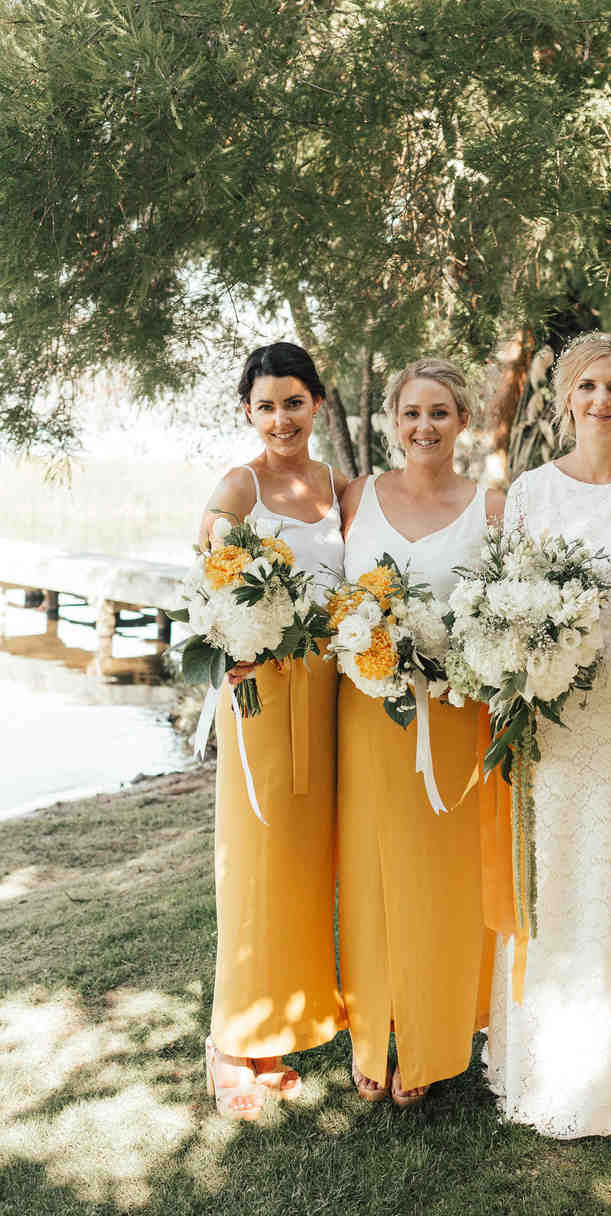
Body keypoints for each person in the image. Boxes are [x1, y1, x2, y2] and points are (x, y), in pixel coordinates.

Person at [484, 332, 611, 1138]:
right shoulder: (531, 491)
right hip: (550, 715)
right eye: (587, 388)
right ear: (563, 399)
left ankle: (605, 1076)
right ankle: (533, 1057)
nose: (601, 402)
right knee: (550, 877)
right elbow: (501, 599)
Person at [337, 357, 503, 1106]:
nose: (423, 426)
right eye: (410, 412)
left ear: (462, 421)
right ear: (392, 421)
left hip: (454, 714)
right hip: (367, 716)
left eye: (439, 413)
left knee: (443, 882)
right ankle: (374, 1034)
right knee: (371, 879)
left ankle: (435, 1043)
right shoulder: (354, 497)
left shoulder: (491, 508)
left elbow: (506, 616)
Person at [200, 341, 348, 1119]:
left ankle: (280, 1029)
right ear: (247, 413)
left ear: (316, 403)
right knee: (256, 855)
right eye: (266, 405)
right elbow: (210, 574)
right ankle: (232, 1041)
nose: (281, 418)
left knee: (306, 858)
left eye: (294, 401)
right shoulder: (239, 486)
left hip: (329, 691)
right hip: (261, 690)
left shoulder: (339, 487)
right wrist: (237, 637)